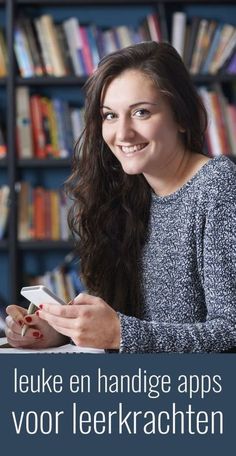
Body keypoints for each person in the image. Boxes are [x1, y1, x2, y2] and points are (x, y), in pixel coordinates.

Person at [5, 41, 236, 353]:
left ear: (182, 116)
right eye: (110, 116)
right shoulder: (131, 192)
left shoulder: (218, 187)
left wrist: (120, 333)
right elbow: (134, 323)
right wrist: (65, 329)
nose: (122, 133)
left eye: (141, 112)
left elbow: (230, 332)